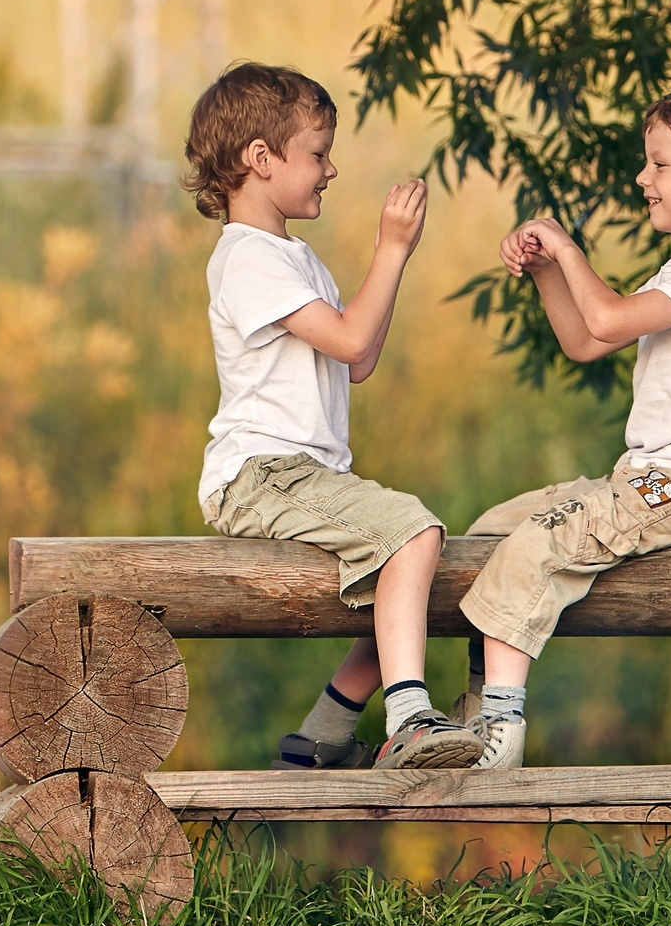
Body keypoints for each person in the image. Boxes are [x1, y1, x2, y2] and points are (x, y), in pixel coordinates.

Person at [456, 80, 671, 770]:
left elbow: (606, 316)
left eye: (660, 163)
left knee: (536, 545)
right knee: (491, 529)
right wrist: (549, 272)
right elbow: (588, 339)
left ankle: (498, 738)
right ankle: (470, 715)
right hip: (644, 479)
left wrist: (568, 247)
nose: (644, 176)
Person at [185, 62, 481, 771]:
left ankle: (321, 733)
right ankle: (409, 717)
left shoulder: (294, 256)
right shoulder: (247, 259)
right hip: (262, 475)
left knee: (410, 570)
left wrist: (392, 263)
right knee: (415, 532)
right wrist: (390, 248)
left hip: (304, 474)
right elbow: (351, 339)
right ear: (261, 158)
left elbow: (357, 358)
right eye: (317, 153)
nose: (331, 169)